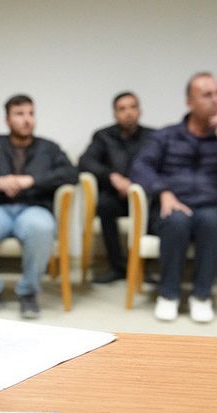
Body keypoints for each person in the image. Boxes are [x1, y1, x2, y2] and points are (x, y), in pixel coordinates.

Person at [131, 72, 217, 323]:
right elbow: (140, 167)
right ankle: (168, 294)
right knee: (175, 220)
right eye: (207, 94)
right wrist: (163, 192)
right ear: (189, 101)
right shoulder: (166, 135)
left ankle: (202, 296)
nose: (215, 100)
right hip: (173, 203)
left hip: (212, 207)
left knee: (211, 221)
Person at [0, 94, 78, 318]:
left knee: (41, 228)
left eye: (31, 114)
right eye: (19, 114)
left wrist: (32, 180)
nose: (27, 119)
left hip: (34, 207)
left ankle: (28, 292)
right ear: (7, 119)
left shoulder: (50, 148)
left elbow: (71, 173)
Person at [79, 92, 154, 283]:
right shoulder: (103, 136)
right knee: (104, 205)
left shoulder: (153, 137)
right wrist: (111, 176)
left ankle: (144, 267)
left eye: (132, 107)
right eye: (122, 109)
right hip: (115, 196)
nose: (128, 113)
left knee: (156, 208)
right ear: (115, 114)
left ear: (140, 111)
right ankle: (117, 266)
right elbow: (85, 161)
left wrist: (137, 184)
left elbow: (162, 166)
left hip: (145, 196)